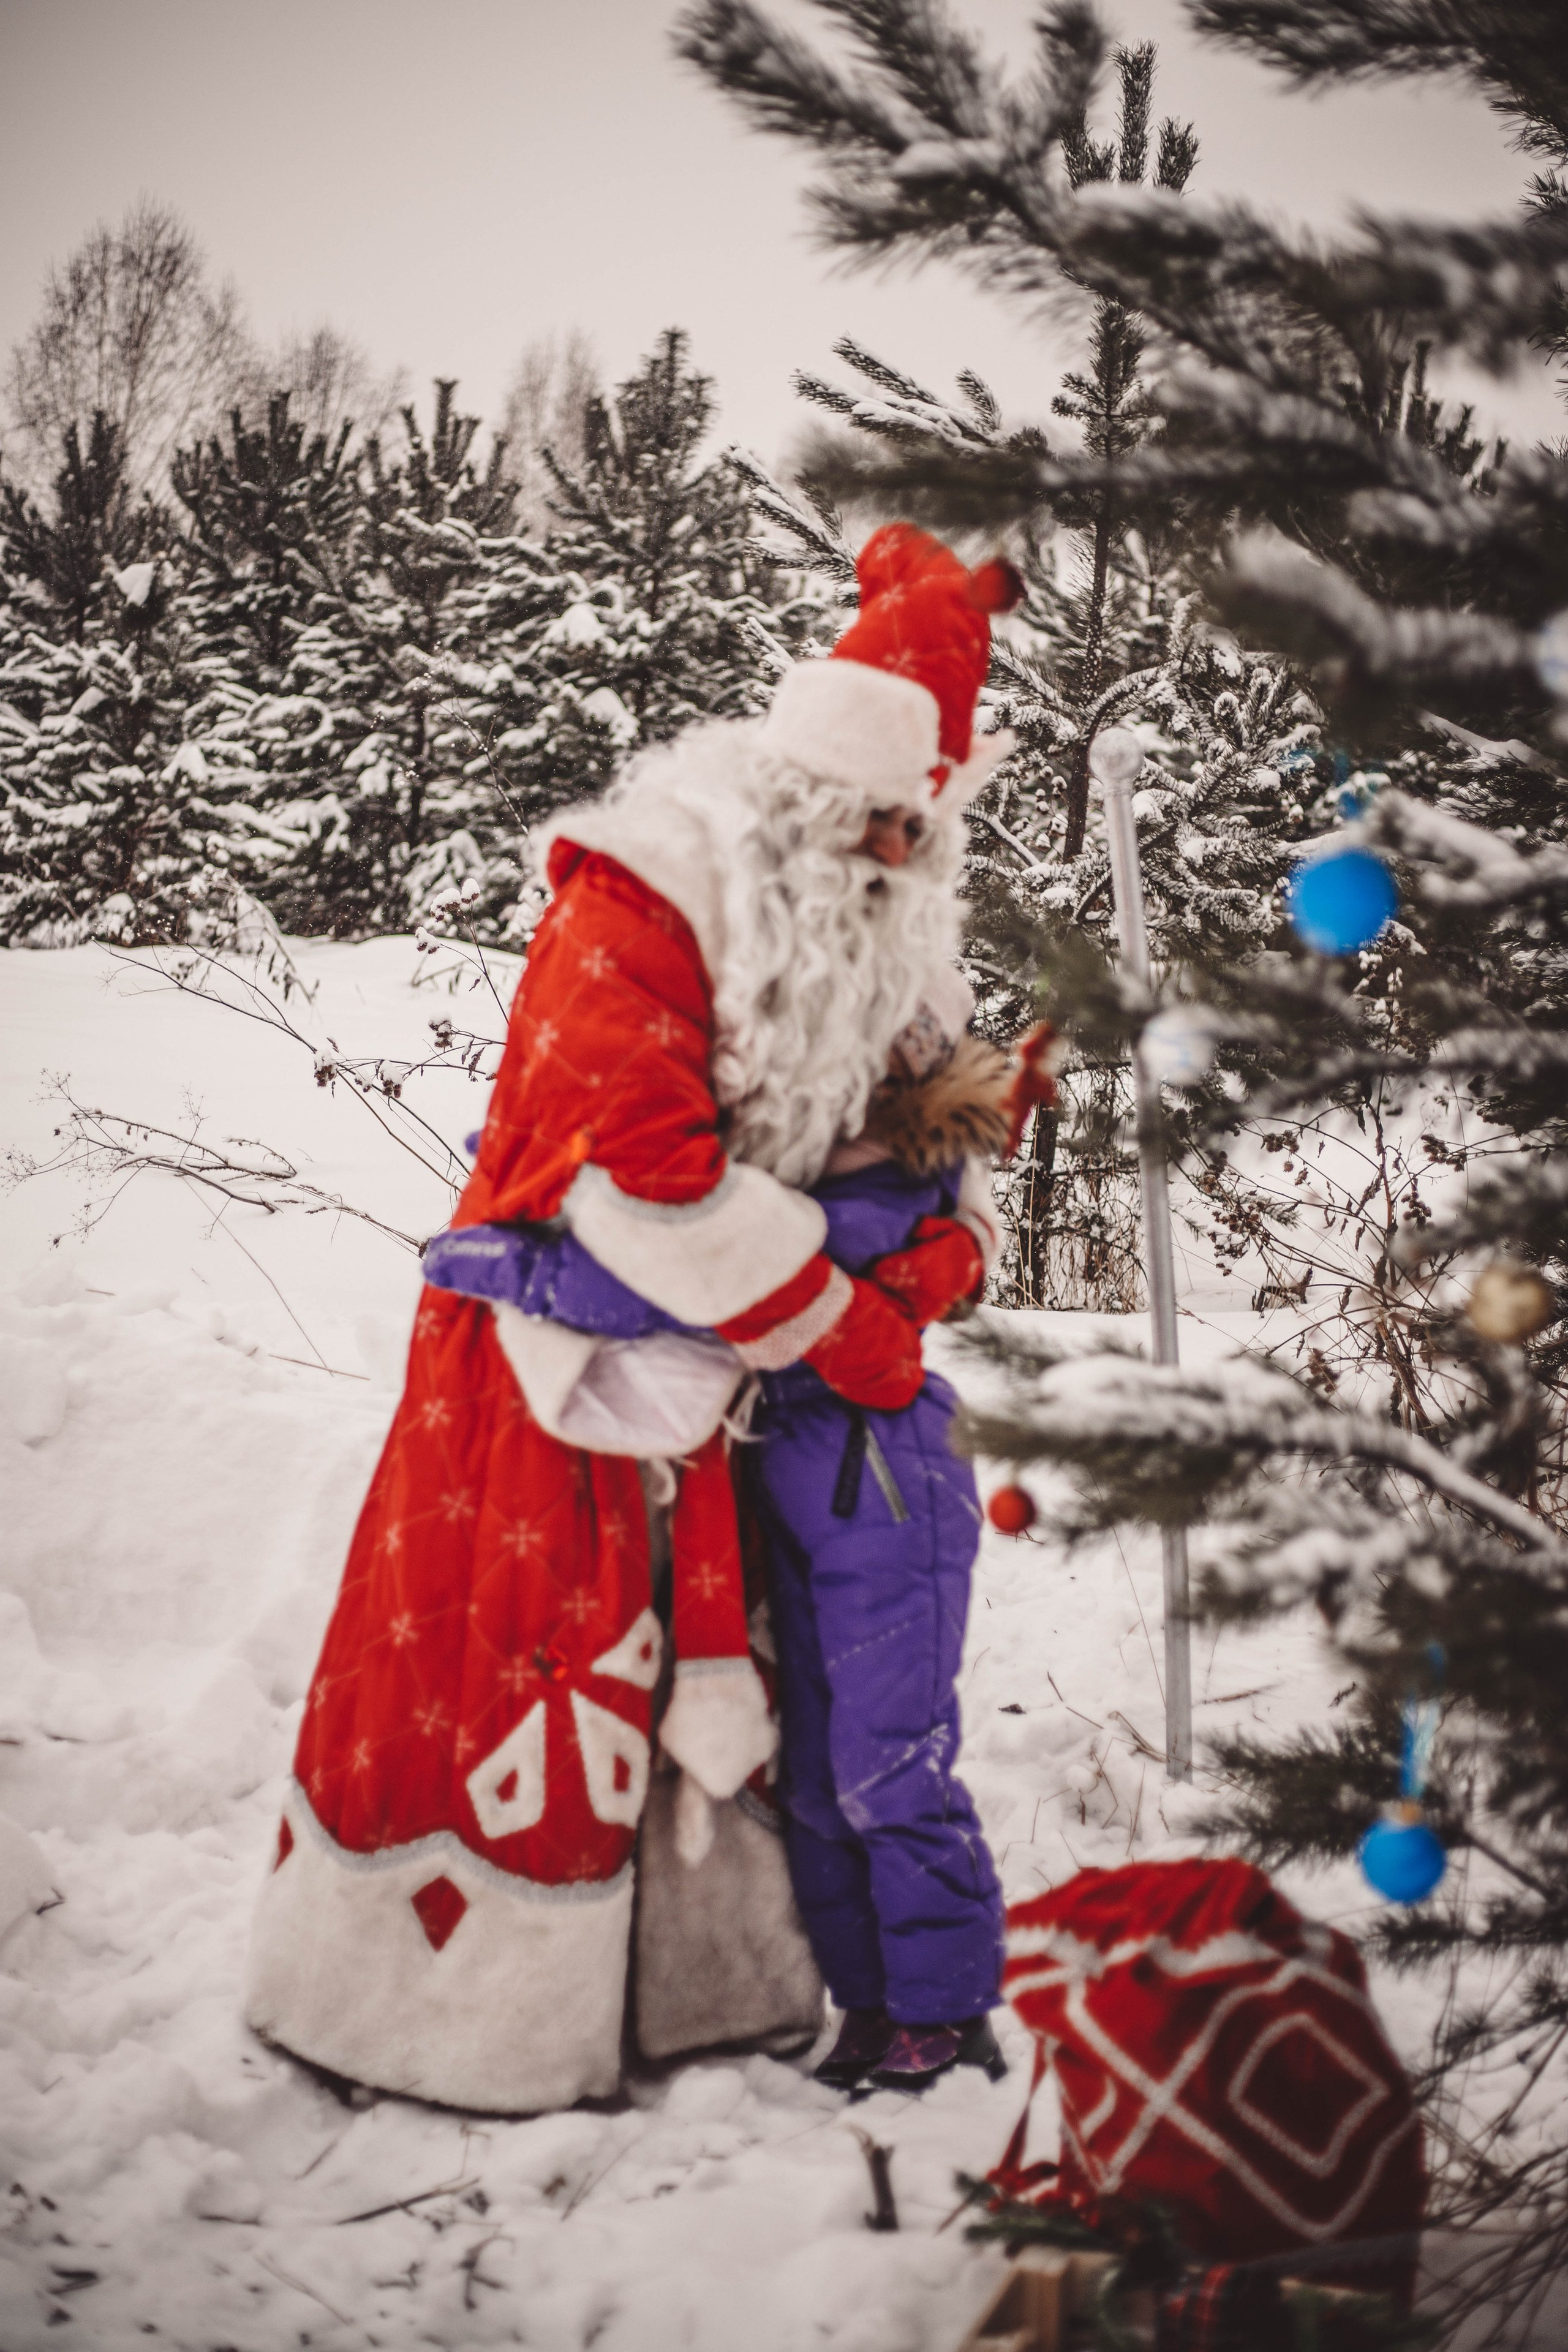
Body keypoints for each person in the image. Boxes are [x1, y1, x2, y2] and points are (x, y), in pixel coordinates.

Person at [245, 522, 1021, 2114]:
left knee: (753, 1695)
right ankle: (463, 2019)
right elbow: (643, 1181)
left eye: (920, 831)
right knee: (531, 1664)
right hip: (559, 1376)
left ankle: (715, 1994)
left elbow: (948, 1132)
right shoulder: (646, 897)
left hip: (749, 1390)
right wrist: (838, 1319)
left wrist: (938, 1263)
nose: (899, 853)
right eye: (880, 824)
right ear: (805, 799)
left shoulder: (861, 921)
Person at [751, 1002, 1017, 2095]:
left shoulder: (908, 1175)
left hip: (889, 1470)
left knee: (888, 1759)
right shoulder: (767, 1155)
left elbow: (770, 1269)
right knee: (814, 1776)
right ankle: (868, 2001)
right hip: (784, 1465)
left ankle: (948, 2011)